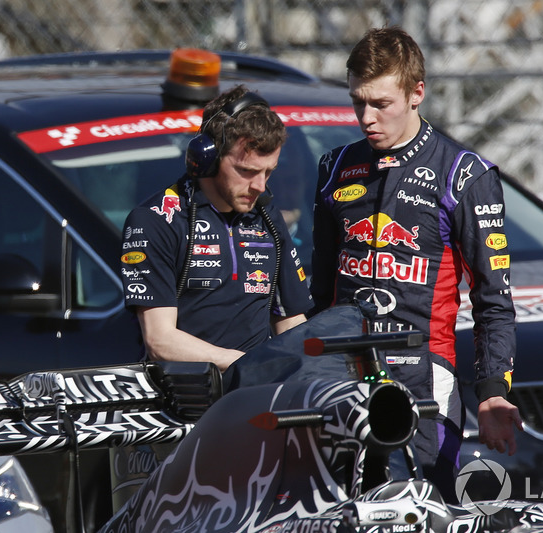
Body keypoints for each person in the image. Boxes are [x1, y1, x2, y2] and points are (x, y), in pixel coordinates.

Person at [311, 26, 522, 501]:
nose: (366, 117)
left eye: (380, 103)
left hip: (424, 378)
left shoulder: (463, 174)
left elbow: (494, 297)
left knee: (423, 511)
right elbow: (320, 292)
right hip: (343, 379)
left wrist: (492, 389)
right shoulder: (334, 168)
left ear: (416, 93)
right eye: (357, 102)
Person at [121, 85, 312, 372]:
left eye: (268, 171)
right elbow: (160, 341)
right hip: (186, 400)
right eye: (247, 171)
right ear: (206, 159)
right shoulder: (155, 220)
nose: (260, 186)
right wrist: (247, 364)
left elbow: (292, 324)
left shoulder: (267, 216)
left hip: (257, 393)